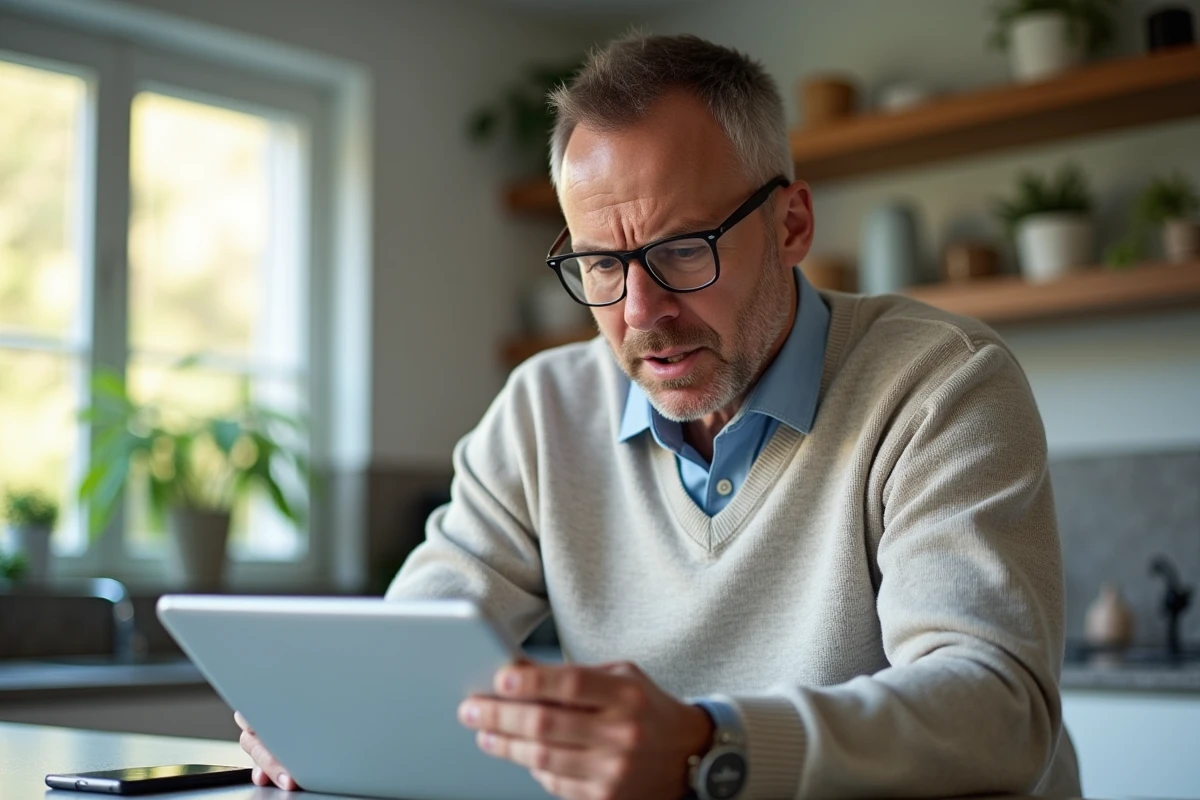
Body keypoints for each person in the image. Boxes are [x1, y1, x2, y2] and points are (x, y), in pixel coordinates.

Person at [236, 33, 1081, 800]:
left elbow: (998, 709)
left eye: (682, 249)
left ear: (791, 225)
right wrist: (330, 713)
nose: (641, 311)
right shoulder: (543, 411)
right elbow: (411, 655)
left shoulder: (939, 385)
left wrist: (709, 744)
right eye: (602, 262)